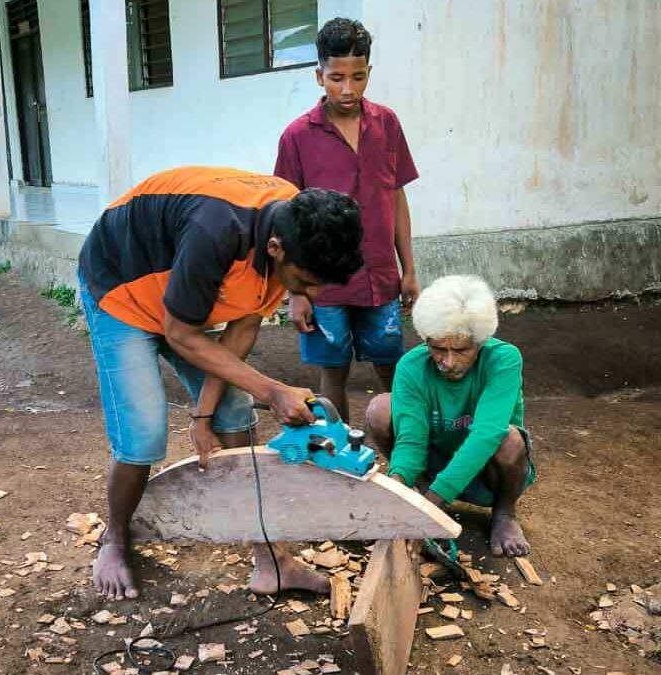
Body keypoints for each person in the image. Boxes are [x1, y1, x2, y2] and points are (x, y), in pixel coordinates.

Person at [78, 166, 363, 600]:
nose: (314, 296)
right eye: (306, 283)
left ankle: (272, 561)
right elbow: (179, 334)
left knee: (235, 413)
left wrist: (205, 413)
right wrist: (270, 390)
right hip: (123, 291)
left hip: (183, 298)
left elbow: (242, 330)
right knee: (143, 432)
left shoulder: (291, 221)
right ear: (275, 247)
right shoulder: (216, 232)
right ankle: (114, 539)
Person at [274, 17, 419, 422]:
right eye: (337, 77)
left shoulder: (387, 124)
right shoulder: (297, 137)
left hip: (380, 277)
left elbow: (396, 197)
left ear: (369, 72)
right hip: (325, 286)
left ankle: (408, 449)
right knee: (332, 370)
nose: (348, 88)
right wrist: (297, 292)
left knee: (393, 365)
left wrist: (409, 269)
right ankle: (338, 457)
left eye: (358, 77)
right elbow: (285, 218)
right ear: (319, 75)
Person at [365, 275, 536, 557]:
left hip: (487, 474)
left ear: (480, 342)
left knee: (509, 439)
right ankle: (418, 491)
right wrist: (397, 488)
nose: (448, 361)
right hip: (437, 461)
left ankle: (504, 514)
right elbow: (410, 440)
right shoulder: (412, 366)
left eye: (461, 350)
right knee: (381, 409)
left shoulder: (504, 359)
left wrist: (435, 502)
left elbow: (486, 435)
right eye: (437, 348)